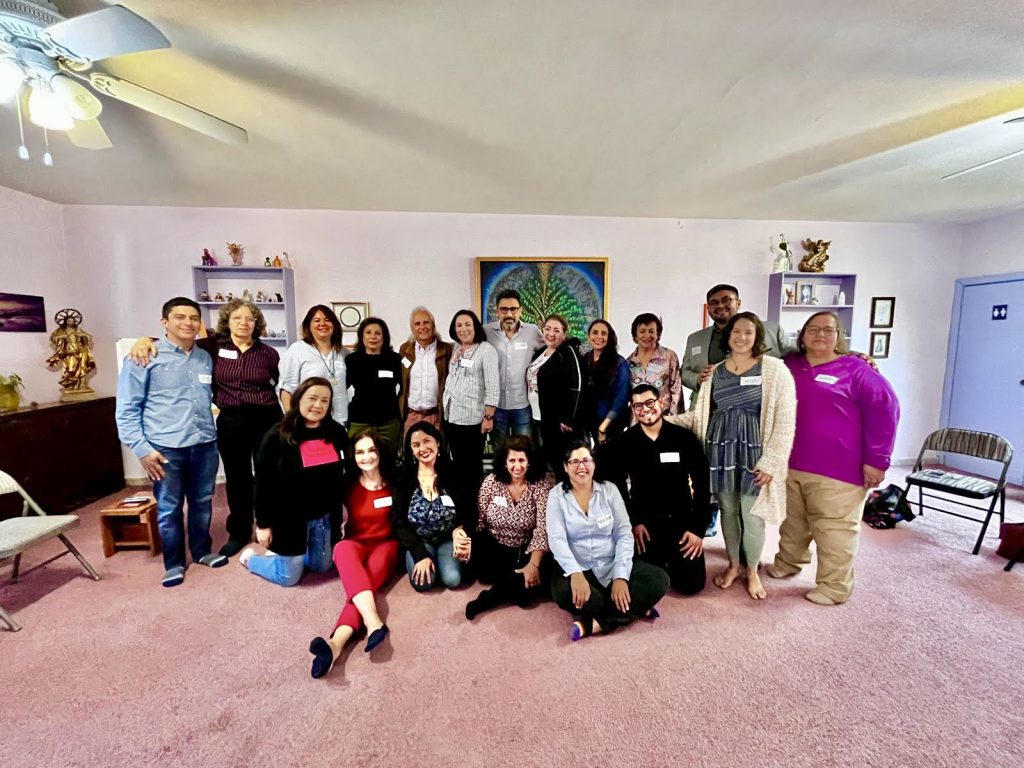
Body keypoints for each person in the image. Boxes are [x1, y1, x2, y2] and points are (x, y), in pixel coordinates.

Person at [129, 297, 281, 558]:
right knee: (237, 478)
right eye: (237, 318)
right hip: (232, 420)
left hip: (266, 417)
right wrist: (145, 340)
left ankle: (269, 526)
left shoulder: (268, 353)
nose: (244, 323)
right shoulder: (212, 346)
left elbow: (275, 381)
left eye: (250, 318)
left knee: (269, 474)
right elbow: (178, 341)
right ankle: (239, 532)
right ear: (227, 322)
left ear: (257, 323)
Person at [767, 311, 899, 605]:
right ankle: (789, 561)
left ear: (838, 335)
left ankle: (834, 586)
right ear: (802, 336)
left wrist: (877, 461)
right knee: (793, 522)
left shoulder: (857, 370)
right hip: (790, 462)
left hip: (839, 469)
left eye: (828, 330)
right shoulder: (789, 365)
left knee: (834, 530)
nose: (820, 335)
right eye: (813, 329)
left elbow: (885, 412)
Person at [669, 312, 797, 600]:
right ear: (728, 336)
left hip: (755, 454)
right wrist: (661, 421)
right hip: (720, 450)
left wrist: (772, 461)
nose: (741, 337)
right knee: (728, 511)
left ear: (757, 336)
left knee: (752, 516)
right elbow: (700, 415)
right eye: (736, 332)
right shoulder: (715, 372)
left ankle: (752, 571)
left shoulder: (774, 370)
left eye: (748, 332)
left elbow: (785, 421)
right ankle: (734, 565)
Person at [115, 297, 228, 587]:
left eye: (193, 318)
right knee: (169, 508)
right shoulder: (144, 356)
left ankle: (202, 551)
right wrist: (142, 450)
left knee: (203, 502)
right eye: (180, 317)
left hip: (204, 443)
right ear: (164, 322)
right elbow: (126, 409)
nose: (188, 323)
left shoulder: (205, 357)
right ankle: (174, 562)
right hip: (165, 448)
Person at [680, 283, 794, 536]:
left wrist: (848, 354)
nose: (720, 306)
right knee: (714, 470)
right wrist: (698, 378)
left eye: (726, 300)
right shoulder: (696, 339)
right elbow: (684, 371)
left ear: (738, 302)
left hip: (752, 418)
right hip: (710, 415)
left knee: (748, 479)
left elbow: (801, 353)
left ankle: (748, 529)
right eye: (714, 303)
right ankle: (712, 514)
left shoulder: (770, 330)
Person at [547, 441, 670, 640]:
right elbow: (556, 539)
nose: (581, 466)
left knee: (659, 580)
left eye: (586, 460)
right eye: (575, 462)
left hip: (610, 563)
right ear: (565, 467)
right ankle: (634, 608)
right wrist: (575, 573)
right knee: (563, 594)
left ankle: (595, 623)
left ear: (594, 464)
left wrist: (621, 577)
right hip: (578, 567)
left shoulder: (609, 490)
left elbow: (624, 534)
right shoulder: (556, 495)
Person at [309, 429, 401, 678]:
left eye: (371, 450)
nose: (366, 457)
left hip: (386, 545)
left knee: (361, 586)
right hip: (356, 541)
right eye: (360, 452)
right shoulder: (347, 483)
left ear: (379, 452)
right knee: (341, 549)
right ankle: (373, 624)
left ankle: (335, 645)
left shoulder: (395, 481)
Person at [240, 377, 349, 586]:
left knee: (322, 567)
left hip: (324, 516)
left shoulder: (336, 432)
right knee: (288, 578)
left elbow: (346, 473)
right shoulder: (277, 435)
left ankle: (292, 556)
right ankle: (252, 560)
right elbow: (262, 483)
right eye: (312, 398)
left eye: (325, 400)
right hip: (289, 518)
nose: (318, 405)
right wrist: (263, 524)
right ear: (298, 399)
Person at [604, 384, 710, 596]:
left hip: (681, 520)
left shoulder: (684, 438)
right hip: (645, 524)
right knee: (646, 577)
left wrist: (697, 530)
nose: (645, 409)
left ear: (661, 402)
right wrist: (633, 522)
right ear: (633, 410)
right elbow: (617, 487)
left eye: (649, 402)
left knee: (692, 585)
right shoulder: (625, 443)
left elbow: (702, 484)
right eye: (638, 406)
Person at [464, 435, 551, 619]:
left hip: (524, 548)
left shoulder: (540, 485)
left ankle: (487, 599)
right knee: (483, 570)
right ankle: (511, 580)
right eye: (512, 460)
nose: (517, 466)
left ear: (529, 461)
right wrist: (465, 538)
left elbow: (542, 529)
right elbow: (479, 518)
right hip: (494, 544)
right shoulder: (492, 481)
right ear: (504, 462)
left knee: (524, 597)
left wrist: (533, 564)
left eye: (521, 460)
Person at [394, 422, 469, 591]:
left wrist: (461, 530)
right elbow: (398, 521)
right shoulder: (403, 476)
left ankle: (442, 561)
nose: (422, 448)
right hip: (418, 540)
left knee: (453, 579)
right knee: (423, 583)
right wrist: (420, 555)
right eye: (416, 445)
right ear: (411, 450)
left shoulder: (453, 472)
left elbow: (468, 509)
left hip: (447, 538)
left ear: (438, 443)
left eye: (427, 441)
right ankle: (425, 558)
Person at [443, 309, 500, 499]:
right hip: (452, 417)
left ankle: (474, 507)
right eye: (459, 325)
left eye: (468, 324)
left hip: (473, 420)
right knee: (458, 466)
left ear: (475, 327)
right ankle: (461, 504)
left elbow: (493, 386)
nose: (463, 329)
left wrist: (488, 417)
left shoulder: (486, 350)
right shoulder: (456, 348)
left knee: (472, 468)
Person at [485, 289, 544, 447]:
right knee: (499, 450)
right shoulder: (486, 332)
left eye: (514, 309)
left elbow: (549, 350)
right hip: (497, 407)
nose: (509, 314)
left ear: (521, 310)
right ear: (497, 311)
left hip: (522, 405)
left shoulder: (532, 331)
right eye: (504, 309)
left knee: (524, 449)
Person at [527, 314, 582, 482]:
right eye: (547, 329)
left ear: (564, 333)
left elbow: (576, 386)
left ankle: (567, 492)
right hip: (538, 416)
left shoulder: (567, 352)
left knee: (560, 462)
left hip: (557, 420)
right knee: (547, 458)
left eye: (557, 330)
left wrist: (568, 418)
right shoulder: (541, 353)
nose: (551, 333)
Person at [278, 305, 348, 426]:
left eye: (327, 320)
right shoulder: (297, 350)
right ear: (308, 326)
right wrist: (292, 421)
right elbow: (287, 389)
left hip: (339, 420)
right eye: (316, 320)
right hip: (307, 421)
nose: (322, 324)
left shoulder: (343, 352)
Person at [345, 317, 404, 453]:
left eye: (378, 333)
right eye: (368, 332)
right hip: (360, 421)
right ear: (361, 336)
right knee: (359, 459)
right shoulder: (352, 360)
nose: (373, 337)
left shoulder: (394, 359)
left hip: (389, 422)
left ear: (384, 337)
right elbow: (342, 388)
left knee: (388, 459)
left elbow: (405, 387)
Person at [397, 306, 452, 437]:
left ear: (433, 325)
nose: (422, 327)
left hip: (436, 416)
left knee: (436, 448)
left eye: (426, 322)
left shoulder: (446, 350)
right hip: (411, 416)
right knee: (411, 449)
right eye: (417, 323)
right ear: (412, 328)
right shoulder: (404, 350)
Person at [579, 319, 630, 445]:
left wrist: (604, 426)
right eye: (595, 332)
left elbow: (622, 397)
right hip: (587, 424)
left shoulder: (619, 362)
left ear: (609, 337)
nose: (599, 337)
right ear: (589, 336)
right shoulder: (584, 359)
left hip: (611, 425)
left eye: (603, 333)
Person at [625, 312, 683, 417]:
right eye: (642, 331)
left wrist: (673, 420)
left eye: (651, 331)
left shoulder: (670, 357)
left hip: (664, 419)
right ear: (635, 335)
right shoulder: (628, 362)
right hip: (638, 420)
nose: (647, 335)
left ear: (658, 334)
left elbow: (677, 391)